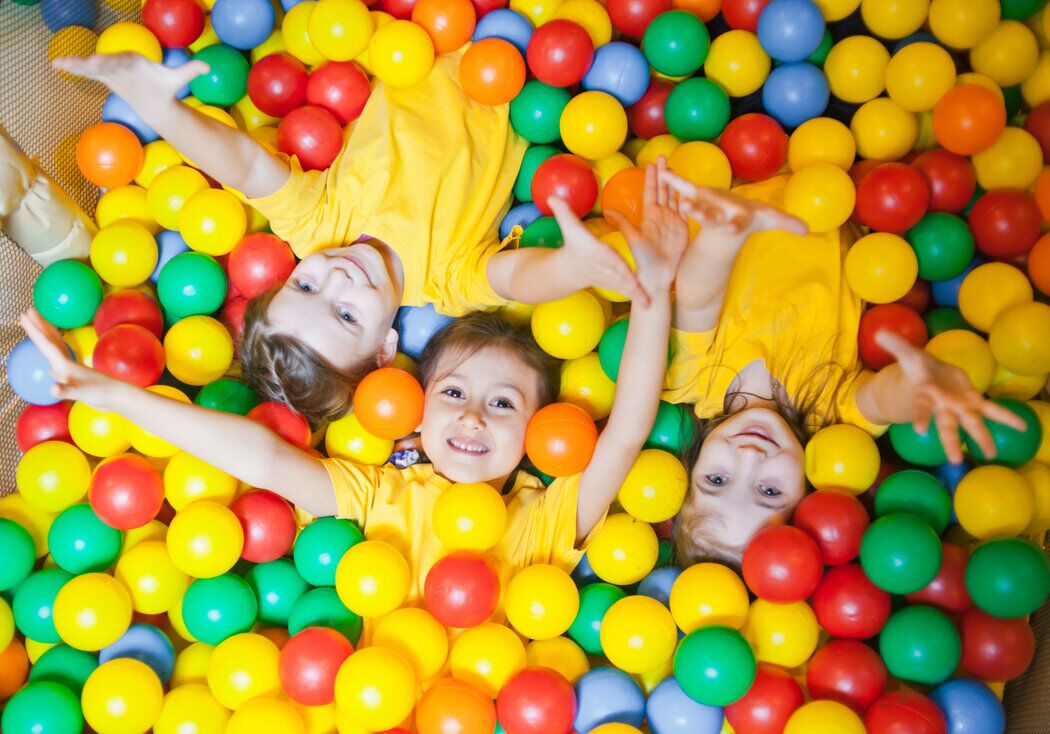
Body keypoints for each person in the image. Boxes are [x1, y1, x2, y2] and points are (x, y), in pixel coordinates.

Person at [20, 163, 686, 639]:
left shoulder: (544, 524)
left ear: (538, 435)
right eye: (452, 392)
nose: (474, 416)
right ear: (412, 411)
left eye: (505, 405)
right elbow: (262, 458)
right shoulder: (379, 497)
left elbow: (626, 431)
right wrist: (119, 399)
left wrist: (651, 293)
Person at [51, 50, 647, 425]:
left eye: (304, 283)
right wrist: (578, 266)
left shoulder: (317, 223)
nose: (336, 275)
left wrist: (163, 109)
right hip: (517, 59)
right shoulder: (445, 277)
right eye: (343, 315)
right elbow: (517, 277)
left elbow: (242, 166)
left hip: (425, 37)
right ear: (387, 347)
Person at [661, 171, 1025, 569]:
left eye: (716, 481)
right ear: (806, 495)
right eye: (768, 490)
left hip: (745, 177)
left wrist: (721, 235)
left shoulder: (690, 379)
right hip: (847, 187)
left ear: (692, 464)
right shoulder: (832, 416)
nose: (748, 456)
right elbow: (880, 399)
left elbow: (696, 298)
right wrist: (923, 385)